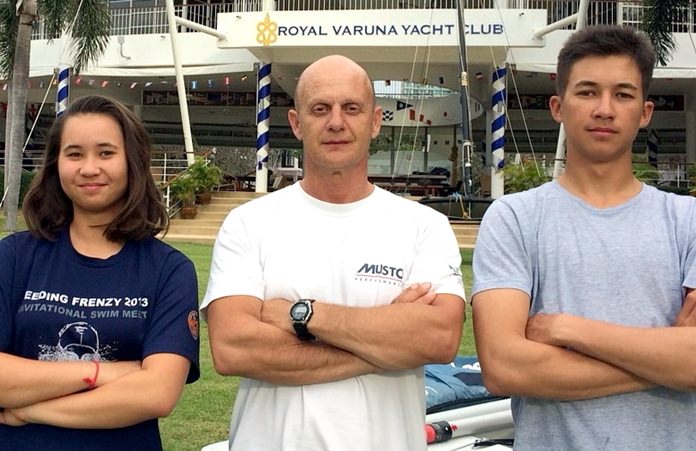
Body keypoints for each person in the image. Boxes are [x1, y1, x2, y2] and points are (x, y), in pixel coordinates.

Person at [201, 55, 465, 451]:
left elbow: (439, 339)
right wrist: (385, 347)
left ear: (375, 121)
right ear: (296, 123)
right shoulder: (248, 223)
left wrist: (302, 315)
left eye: (352, 108)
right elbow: (234, 348)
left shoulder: (422, 226)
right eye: (320, 109)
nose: (336, 122)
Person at [472, 25, 696, 450]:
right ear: (558, 106)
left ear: (645, 112)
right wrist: (667, 362)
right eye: (588, 92)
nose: (605, 109)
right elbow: (504, 367)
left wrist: (565, 328)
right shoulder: (515, 219)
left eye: (623, 94)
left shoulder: (688, 221)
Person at [0, 95, 200, 450]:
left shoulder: (169, 271)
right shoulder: (13, 257)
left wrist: (29, 410)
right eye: (74, 154)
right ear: (55, 164)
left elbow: (156, 394)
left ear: (132, 162)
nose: (89, 168)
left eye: (106, 153)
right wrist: (102, 372)